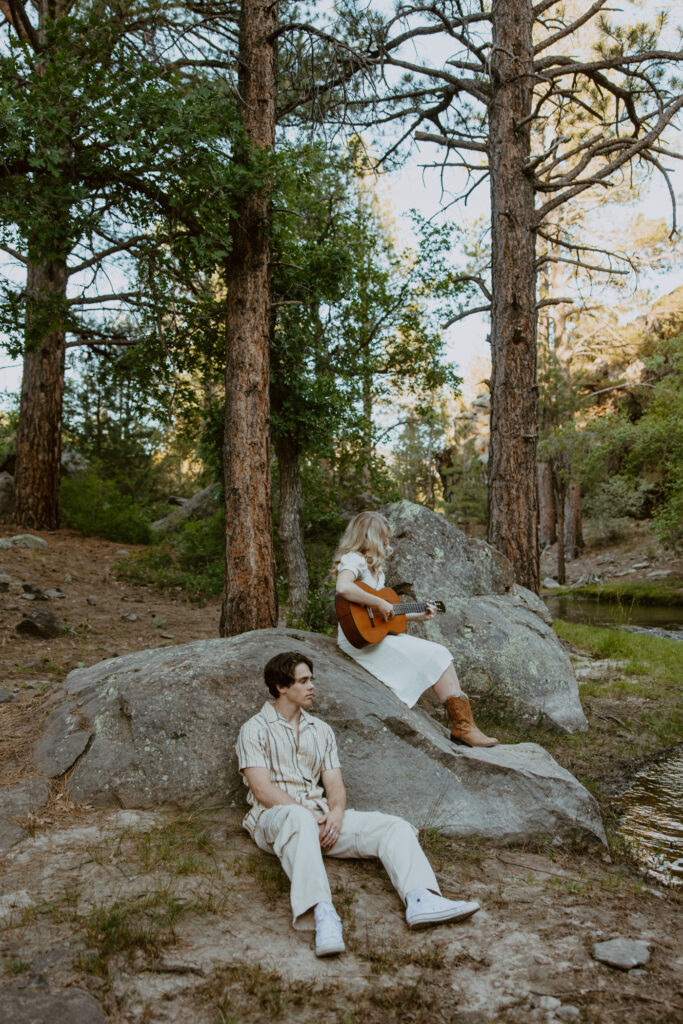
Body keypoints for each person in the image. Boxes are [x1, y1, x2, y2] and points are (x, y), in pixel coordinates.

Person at [236, 651, 481, 957]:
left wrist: (336, 813)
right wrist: (308, 815)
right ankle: (323, 915)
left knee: (392, 826)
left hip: (322, 822)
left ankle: (421, 899)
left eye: (311, 679)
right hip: (274, 820)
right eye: (303, 681)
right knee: (297, 819)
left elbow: (335, 785)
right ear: (280, 687)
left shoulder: (321, 731)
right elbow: (262, 789)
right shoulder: (254, 729)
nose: (312, 686)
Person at [334, 510, 499, 747]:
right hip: (358, 642)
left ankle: (464, 726)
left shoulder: (377, 571)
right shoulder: (354, 560)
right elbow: (343, 588)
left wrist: (418, 615)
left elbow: (385, 617)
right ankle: (463, 727)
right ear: (370, 536)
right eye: (384, 537)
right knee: (436, 653)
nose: (387, 542)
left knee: (440, 653)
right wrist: (379, 601)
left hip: (374, 638)